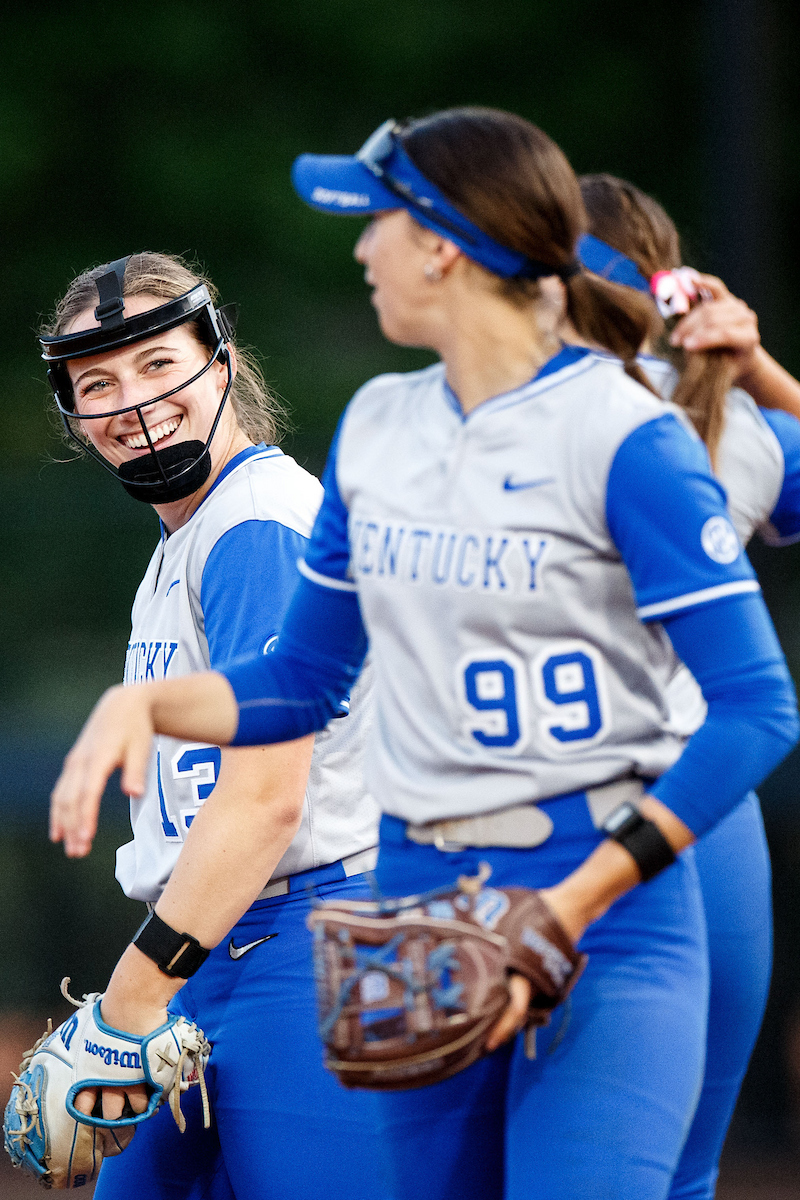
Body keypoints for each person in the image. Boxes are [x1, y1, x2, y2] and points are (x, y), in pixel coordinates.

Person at [50, 110, 799, 1200]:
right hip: (421, 914)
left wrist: (570, 904)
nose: (361, 248)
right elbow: (301, 682)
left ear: (445, 247)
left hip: (604, 899)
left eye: (379, 222)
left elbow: (758, 710)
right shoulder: (380, 424)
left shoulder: (632, 431)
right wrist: (151, 707)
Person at [40, 251, 386, 1199]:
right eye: (97, 383)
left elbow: (268, 799)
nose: (134, 400)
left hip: (308, 945)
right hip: (213, 950)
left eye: (159, 362)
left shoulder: (255, 522)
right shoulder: (193, 537)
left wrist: (128, 1002)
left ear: (221, 360)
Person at [575, 174, 800, 1200]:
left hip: (558, 816)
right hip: (712, 817)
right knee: (681, 1173)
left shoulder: (503, 419)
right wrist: (757, 371)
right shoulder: (728, 419)